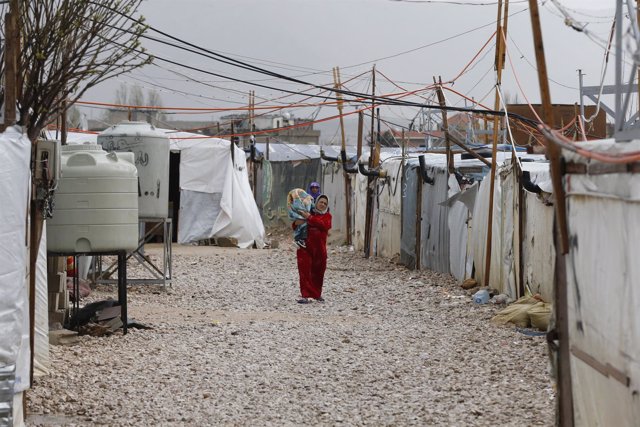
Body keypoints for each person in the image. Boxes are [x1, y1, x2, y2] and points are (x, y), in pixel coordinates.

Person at [294, 194, 332, 304]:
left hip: (320, 250)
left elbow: (324, 225)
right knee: (304, 271)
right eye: (321, 202)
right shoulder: (307, 211)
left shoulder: (327, 216)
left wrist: (309, 218)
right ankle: (305, 295)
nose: (323, 204)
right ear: (316, 202)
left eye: (325, 203)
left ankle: (316, 294)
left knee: (319, 272)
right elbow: (295, 224)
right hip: (305, 248)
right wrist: (300, 220)